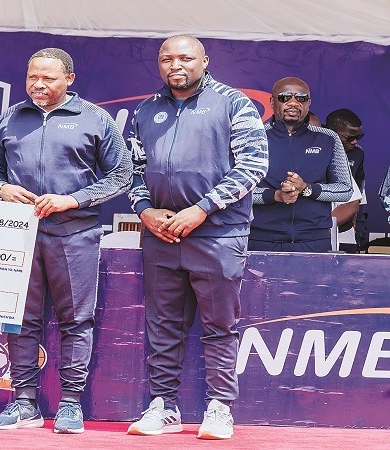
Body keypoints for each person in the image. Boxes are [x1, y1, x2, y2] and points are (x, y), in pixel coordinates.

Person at [125, 35, 268, 440]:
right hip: (162, 234)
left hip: (218, 233)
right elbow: (134, 171)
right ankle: (164, 408)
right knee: (163, 325)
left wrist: (202, 208)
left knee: (219, 325)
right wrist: (144, 210)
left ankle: (220, 407)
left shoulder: (234, 103)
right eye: (167, 58)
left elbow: (253, 167)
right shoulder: (146, 109)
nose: (176, 64)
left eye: (185, 57)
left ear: (204, 61)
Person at [0, 48, 132, 434]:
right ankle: (24, 403)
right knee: (19, 321)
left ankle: (69, 403)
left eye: (48, 78)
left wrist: (74, 199)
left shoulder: (94, 118)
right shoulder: (11, 118)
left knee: (76, 321)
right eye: (32, 77)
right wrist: (1, 188)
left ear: (69, 79)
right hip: (20, 234)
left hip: (75, 234)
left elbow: (122, 175)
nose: (38, 84)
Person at [250, 77, 353, 252]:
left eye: (301, 98)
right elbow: (237, 192)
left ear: (309, 103)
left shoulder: (328, 138)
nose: (293, 103)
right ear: (272, 102)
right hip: (261, 238)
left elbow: (345, 190)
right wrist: (275, 195)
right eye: (284, 97)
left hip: (314, 241)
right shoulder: (252, 137)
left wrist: (307, 188)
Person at [326, 109, 367, 252]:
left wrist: (356, 221)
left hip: (345, 231)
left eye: (358, 137)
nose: (354, 142)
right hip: (314, 230)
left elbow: (359, 191)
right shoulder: (317, 149)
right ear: (332, 132)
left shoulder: (358, 153)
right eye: (349, 138)